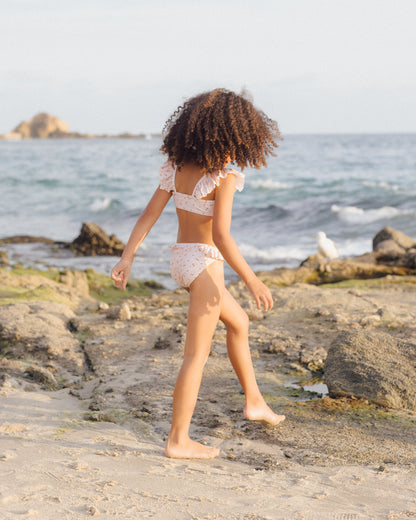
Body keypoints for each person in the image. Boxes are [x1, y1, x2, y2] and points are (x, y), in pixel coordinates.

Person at [111, 88, 286, 459]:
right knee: (196, 356)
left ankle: (254, 401)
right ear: (231, 136)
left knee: (239, 322)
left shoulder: (176, 168)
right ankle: (178, 439)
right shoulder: (223, 178)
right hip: (205, 263)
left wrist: (127, 258)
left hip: (181, 260)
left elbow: (148, 216)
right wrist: (252, 279)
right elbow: (221, 235)